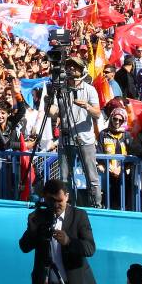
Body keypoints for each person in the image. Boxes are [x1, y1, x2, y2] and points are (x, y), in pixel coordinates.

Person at [18, 178, 100, 284]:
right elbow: (24, 247)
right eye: (51, 201)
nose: (56, 205)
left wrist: (69, 242)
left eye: (59, 200)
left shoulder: (79, 216)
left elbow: (90, 248)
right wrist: (34, 228)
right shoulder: (39, 217)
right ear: (45, 198)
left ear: (66, 197)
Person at [52, 59, 103, 208]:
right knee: (64, 177)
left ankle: (96, 206)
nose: (71, 69)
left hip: (85, 139)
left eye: (75, 66)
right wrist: (49, 104)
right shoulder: (60, 89)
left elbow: (98, 113)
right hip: (65, 139)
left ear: (82, 69)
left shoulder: (89, 89)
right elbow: (53, 112)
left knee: (92, 177)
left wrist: (87, 106)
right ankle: (67, 207)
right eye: (68, 66)